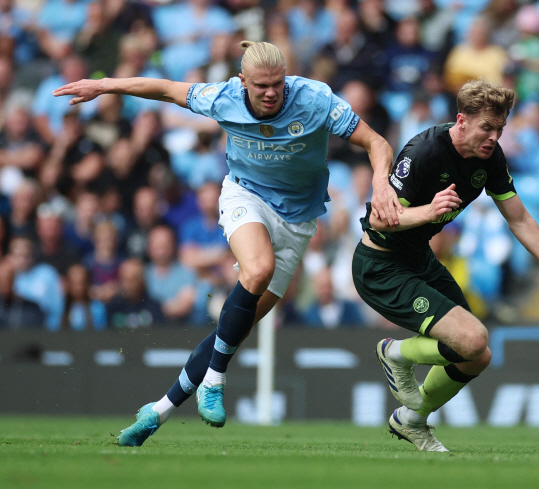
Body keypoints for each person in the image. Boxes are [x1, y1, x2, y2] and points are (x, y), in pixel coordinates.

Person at [53, 40, 399, 445]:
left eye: (277, 84)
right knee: (257, 270)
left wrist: (379, 181)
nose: (271, 93)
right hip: (245, 196)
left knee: (234, 328)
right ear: (242, 82)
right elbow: (164, 88)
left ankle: (157, 411)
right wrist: (106, 84)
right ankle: (214, 381)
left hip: (298, 221)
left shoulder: (315, 100)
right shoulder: (222, 97)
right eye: (260, 86)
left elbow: (377, 143)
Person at [352, 79, 539, 452]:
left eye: (500, 129)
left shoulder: (491, 158)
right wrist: (429, 210)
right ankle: (394, 353)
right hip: (381, 265)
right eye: (487, 127)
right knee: (473, 338)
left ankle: (411, 420)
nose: (493, 137)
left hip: (418, 258)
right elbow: (378, 220)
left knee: (477, 355)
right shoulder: (424, 151)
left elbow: (519, 219)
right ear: (461, 121)